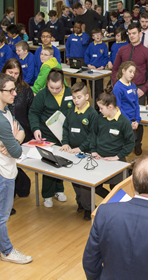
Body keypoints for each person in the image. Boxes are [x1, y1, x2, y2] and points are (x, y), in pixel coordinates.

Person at [0, 73, 32, 264]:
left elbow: (20, 130)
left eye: (14, 89)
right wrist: (16, 139)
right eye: (10, 90)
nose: (15, 93)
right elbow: (17, 151)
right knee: (1, 216)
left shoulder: (4, 111)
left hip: (2, 169)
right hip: (1, 173)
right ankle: (7, 252)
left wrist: (17, 137)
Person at [111, 23, 148, 156]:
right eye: (129, 34)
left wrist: (143, 89)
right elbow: (115, 69)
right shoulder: (122, 50)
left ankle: (137, 144)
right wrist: (116, 85)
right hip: (121, 89)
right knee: (120, 115)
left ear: (140, 34)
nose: (131, 36)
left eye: (134, 33)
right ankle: (122, 143)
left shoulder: (146, 52)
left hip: (138, 90)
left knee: (137, 118)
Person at [29, 69, 71, 207]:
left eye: (58, 88)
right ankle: (47, 195)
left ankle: (59, 189)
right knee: (49, 164)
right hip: (47, 136)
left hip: (64, 136)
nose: (54, 90)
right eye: (51, 87)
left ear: (63, 84)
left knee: (62, 162)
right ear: (47, 84)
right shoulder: (41, 95)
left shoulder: (70, 93)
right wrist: (36, 128)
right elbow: (33, 112)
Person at [59, 82, 99, 220]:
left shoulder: (92, 114)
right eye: (74, 98)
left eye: (79, 97)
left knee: (85, 183)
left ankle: (89, 207)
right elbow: (65, 128)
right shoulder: (71, 112)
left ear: (87, 97)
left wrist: (81, 148)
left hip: (86, 153)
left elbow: (92, 135)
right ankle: (80, 203)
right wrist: (65, 143)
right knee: (75, 180)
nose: (76, 100)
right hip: (72, 153)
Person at [0, 58, 35, 142]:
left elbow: (32, 112)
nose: (13, 76)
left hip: (21, 134)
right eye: (10, 72)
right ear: (4, 71)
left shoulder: (26, 89)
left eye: (16, 73)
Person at [84, 28, 108, 98]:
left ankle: (100, 104)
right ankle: (94, 104)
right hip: (91, 70)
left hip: (100, 70)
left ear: (102, 36)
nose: (97, 36)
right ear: (92, 37)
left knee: (99, 88)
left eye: (99, 35)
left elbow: (106, 57)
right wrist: (89, 65)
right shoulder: (91, 45)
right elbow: (86, 55)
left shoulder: (104, 46)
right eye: (95, 35)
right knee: (92, 88)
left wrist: (103, 66)